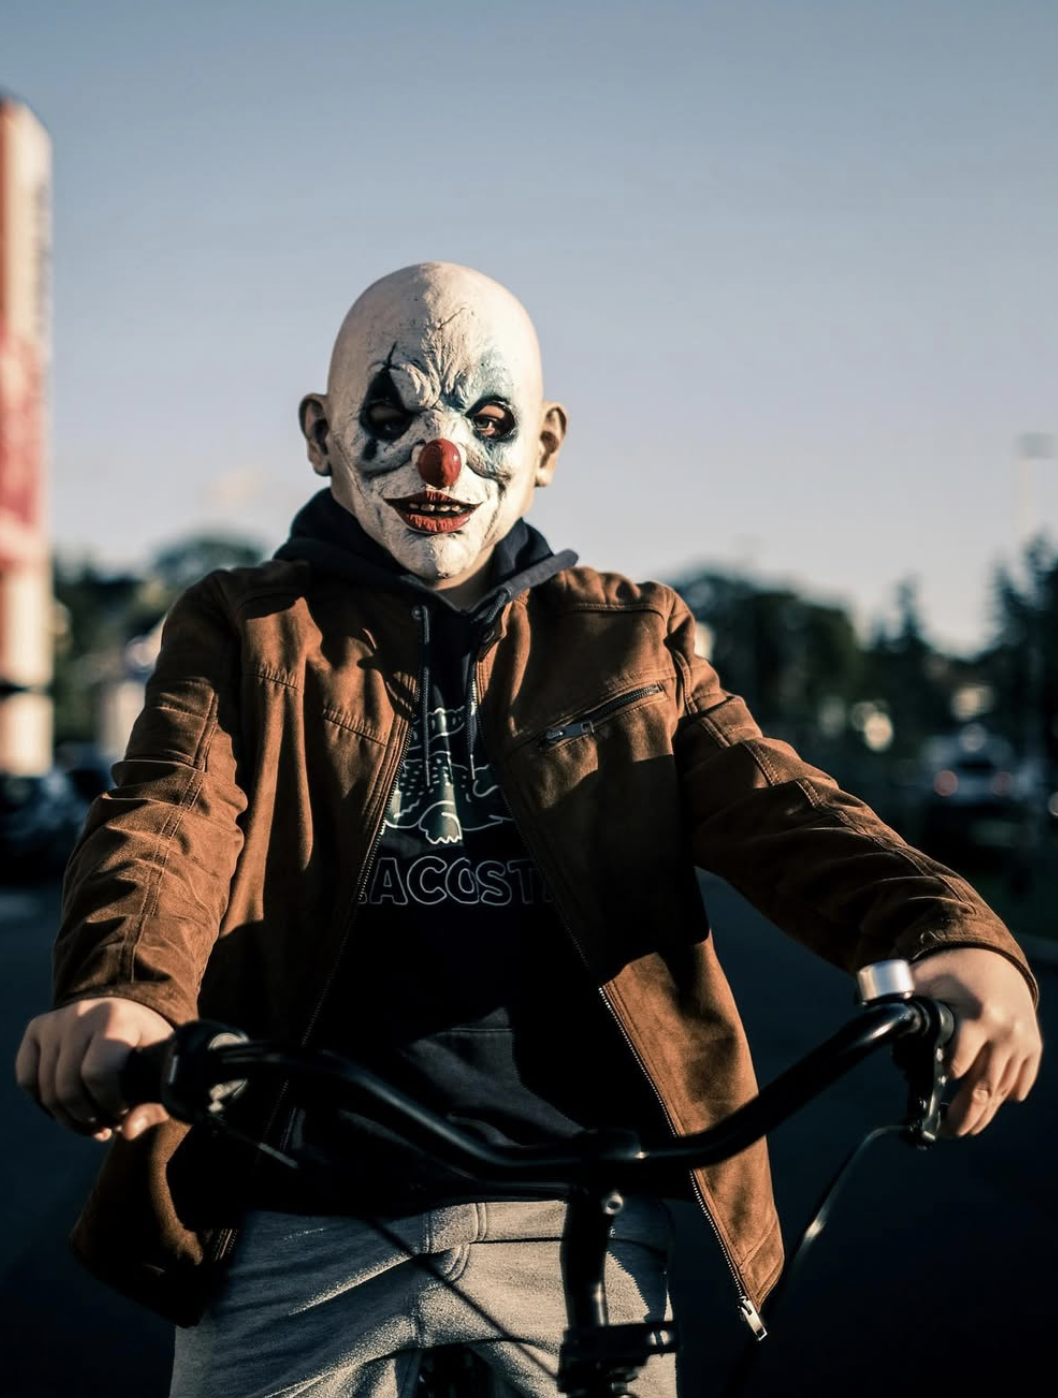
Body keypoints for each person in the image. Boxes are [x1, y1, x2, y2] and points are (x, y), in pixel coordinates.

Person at [16, 263, 1042, 1398]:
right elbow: (169, 814)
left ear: (546, 446)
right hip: (290, 1216)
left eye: (488, 419)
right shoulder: (247, 627)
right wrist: (127, 989)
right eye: (391, 413)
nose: (440, 456)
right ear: (319, 434)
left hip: (577, 1223)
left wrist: (945, 930)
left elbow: (776, 802)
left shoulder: (629, 639)